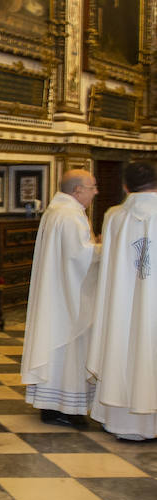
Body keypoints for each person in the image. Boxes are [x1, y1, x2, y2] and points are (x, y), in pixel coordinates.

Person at [20, 170, 101, 429]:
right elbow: (80, 257)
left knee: (56, 346)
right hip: (67, 297)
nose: (95, 191)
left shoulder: (58, 211)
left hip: (57, 292)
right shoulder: (69, 217)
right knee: (68, 347)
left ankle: (51, 405)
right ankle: (66, 407)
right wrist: (105, 246)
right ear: (77, 190)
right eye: (92, 187)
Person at [86, 159, 157, 440]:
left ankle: (122, 423)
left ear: (126, 186)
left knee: (123, 346)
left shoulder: (115, 216)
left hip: (122, 303)